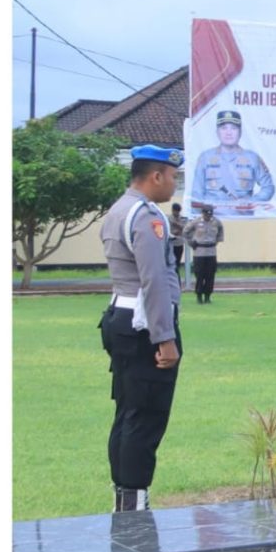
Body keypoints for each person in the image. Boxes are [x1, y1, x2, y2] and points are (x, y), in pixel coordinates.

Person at [99, 144, 184, 512]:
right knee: (146, 417)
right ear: (156, 176)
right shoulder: (146, 216)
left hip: (120, 317)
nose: (174, 185)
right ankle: (134, 507)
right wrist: (164, 338)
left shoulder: (118, 208)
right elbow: (154, 281)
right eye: (172, 177)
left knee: (129, 412)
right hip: (143, 325)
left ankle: (124, 498)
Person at [191, 108, 275, 212]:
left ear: (240, 132)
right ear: (217, 132)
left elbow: (268, 187)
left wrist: (252, 201)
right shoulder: (205, 158)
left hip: (243, 219)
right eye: (224, 128)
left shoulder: (252, 158)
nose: (228, 132)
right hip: (212, 218)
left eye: (233, 128)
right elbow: (196, 193)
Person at [183, 205, 223, 303]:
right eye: (206, 214)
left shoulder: (216, 222)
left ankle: (208, 296)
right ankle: (199, 296)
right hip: (199, 252)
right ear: (203, 213)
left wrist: (217, 241)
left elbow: (220, 233)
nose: (208, 217)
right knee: (200, 275)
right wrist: (190, 242)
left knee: (210, 275)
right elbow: (185, 232)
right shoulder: (196, 222)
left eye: (210, 214)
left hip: (211, 251)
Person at [168, 202, 186, 281]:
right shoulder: (168, 219)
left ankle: (177, 281)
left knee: (177, 264)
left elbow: (184, 229)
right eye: (175, 211)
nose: (176, 213)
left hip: (179, 244)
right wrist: (177, 230)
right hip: (171, 244)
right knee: (171, 264)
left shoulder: (182, 218)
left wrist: (175, 224)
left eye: (178, 211)